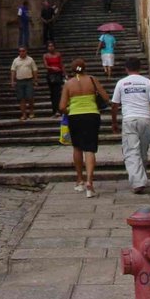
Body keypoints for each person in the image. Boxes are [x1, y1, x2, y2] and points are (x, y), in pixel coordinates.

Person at [110, 58, 150, 194]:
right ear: (140, 68)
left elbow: (114, 105)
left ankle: (138, 182)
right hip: (146, 120)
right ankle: (142, 178)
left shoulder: (121, 83)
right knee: (142, 151)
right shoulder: (146, 82)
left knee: (131, 152)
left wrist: (114, 122)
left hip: (129, 120)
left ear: (126, 69)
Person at [60, 58, 111, 198]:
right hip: (92, 116)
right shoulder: (92, 80)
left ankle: (80, 180)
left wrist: (71, 109)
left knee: (77, 147)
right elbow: (106, 97)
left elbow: (62, 107)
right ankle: (90, 181)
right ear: (85, 68)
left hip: (75, 116)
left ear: (72, 69)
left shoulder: (68, 84)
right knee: (90, 148)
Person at [10, 46, 37, 121]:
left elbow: (34, 70)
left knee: (30, 97)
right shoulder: (15, 60)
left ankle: (31, 112)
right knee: (21, 98)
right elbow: (13, 71)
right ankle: (24, 114)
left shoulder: (30, 59)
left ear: (26, 51)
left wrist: (35, 80)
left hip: (29, 80)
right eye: (20, 51)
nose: (22, 52)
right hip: (19, 81)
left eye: (23, 51)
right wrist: (12, 81)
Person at [43, 41, 66, 117]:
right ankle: (55, 110)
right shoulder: (45, 55)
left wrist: (65, 74)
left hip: (58, 74)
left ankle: (59, 109)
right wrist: (52, 68)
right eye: (49, 46)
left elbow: (61, 64)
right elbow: (45, 66)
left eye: (52, 46)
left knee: (58, 93)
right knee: (53, 93)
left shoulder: (58, 54)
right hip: (51, 75)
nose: (51, 47)